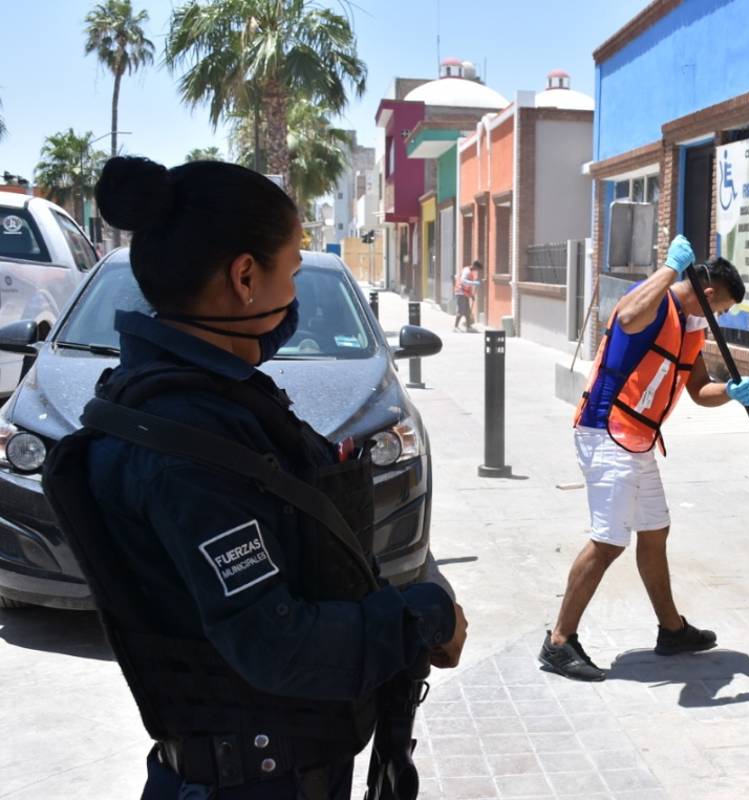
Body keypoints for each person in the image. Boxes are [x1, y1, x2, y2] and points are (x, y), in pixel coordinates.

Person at [41, 156, 467, 799]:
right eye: (291, 273)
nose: (294, 297)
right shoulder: (188, 441)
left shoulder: (202, 404)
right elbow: (276, 644)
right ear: (245, 277)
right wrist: (424, 616)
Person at [539, 235, 749, 681]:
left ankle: (671, 630)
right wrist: (671, 267)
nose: (719, 318)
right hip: (605, 430)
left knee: (655, 530)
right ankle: (559, 641)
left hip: (640, 440)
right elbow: (626, 315)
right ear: (707, 293)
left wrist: (731, 393)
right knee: (609, 541)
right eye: (721, 309)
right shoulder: (656, 302)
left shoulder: (691, 327)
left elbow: (699, 390)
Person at [453, 260, 482, 332]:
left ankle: (468, 327)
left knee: (467, 312)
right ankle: (455, 327)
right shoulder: (467, 271)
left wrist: (471, 295)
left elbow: (468, 287)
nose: (477, 270)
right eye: (477, 269)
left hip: (465, 293)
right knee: (461, 311)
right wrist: (473, 283)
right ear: (474, 266)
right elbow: (463, 281)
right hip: (460, 292)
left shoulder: (470, 272)